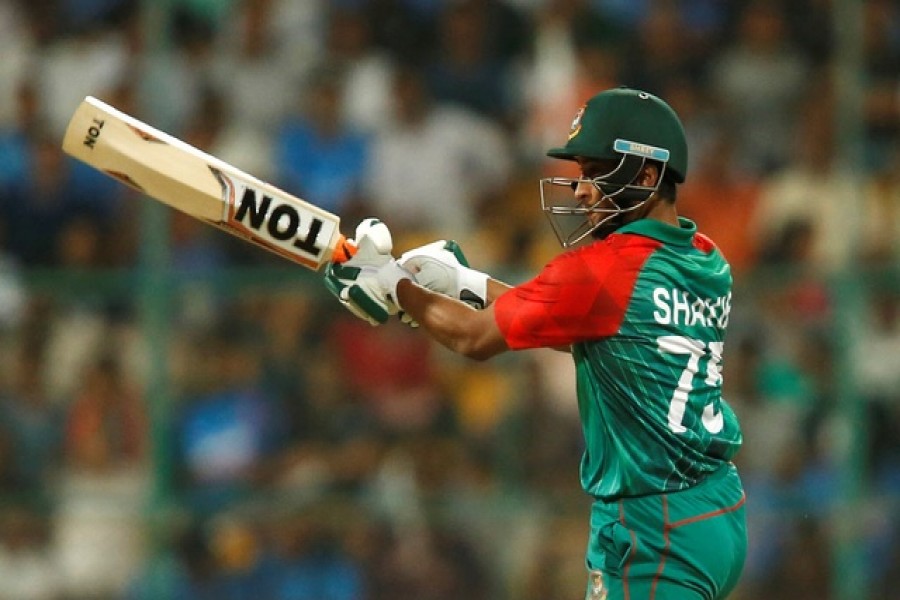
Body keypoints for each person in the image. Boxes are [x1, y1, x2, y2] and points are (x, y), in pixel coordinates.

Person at [325, 87, 747, 600]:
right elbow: (598, 329)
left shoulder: (604, 272)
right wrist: (468, 284)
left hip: (653, 528)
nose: (583, 190)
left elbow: (473, 338)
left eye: (598, 171)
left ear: (648, 175)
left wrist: (394, 287)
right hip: (716, 508)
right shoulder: (705, 260)